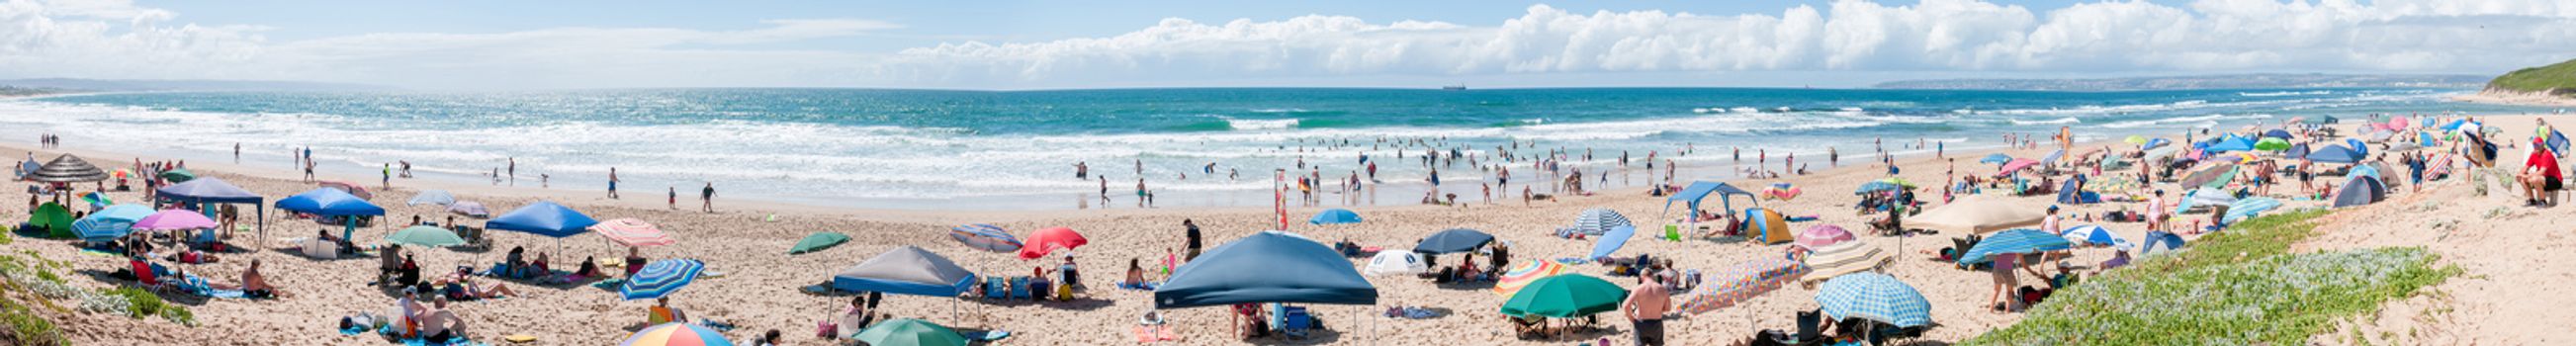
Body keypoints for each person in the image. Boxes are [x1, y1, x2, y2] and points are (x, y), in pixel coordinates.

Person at [1621, 273, 1671, 346]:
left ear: (1642, 276)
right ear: (1652, 276)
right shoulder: (1662, 289)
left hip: (1641, 322)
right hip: (1656, 323)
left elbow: (1625, 306)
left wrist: (1632, 319)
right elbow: (1668, 308)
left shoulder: (1638, 288)